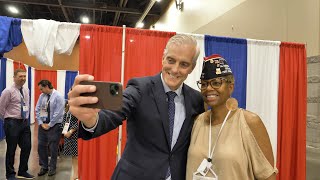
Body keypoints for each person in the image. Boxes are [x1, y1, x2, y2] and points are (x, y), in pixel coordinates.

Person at [68, 34, 205, 180]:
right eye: (171, 60)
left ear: (192, 67)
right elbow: (116, 111)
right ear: (163, 58)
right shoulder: (140, 88)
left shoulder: (196, 99)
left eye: (184, 64)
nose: (175, 69)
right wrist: (92, 120)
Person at [186, 54, 278, 180]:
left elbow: (269, 177)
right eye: (204, 84)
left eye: (216, 83)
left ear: (230, 87)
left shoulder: (249, 122)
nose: (208, 88)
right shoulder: (198, 122)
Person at [0, 69, 35, 180]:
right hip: (12, 122)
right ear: (14, 77)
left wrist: (26, 118)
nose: (23, 78)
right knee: (11, 148)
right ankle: (10, 174)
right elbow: (1, 108)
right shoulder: (8, 91)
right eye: (20, 76)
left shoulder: (26, 90)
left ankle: (22, 171)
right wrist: (8, 120)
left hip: (24, 122)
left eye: (24, 76)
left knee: (27, 146)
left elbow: (27, 105)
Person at [35, 80, 64, 177]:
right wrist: (40, 122)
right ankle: (44, 166)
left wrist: (50, 124)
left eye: (41, 89)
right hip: (43, 125)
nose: (41, 91)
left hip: (55, 126)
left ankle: (52, 167)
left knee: (53, 147)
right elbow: (37, 109)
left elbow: (58, 113)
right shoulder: (42, 96)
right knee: (41, 146)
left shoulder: (58, 96)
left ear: (47, 86)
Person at [61, 100, 79, 180]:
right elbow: (64, 122)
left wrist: (71, 131)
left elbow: (78, 123)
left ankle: (76, 173)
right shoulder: (67, 111)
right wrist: (64, 132)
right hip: (68, 136)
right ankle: (75, 172)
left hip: (75, 135)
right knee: (73, 156)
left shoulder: (76, 111)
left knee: (76, 156)